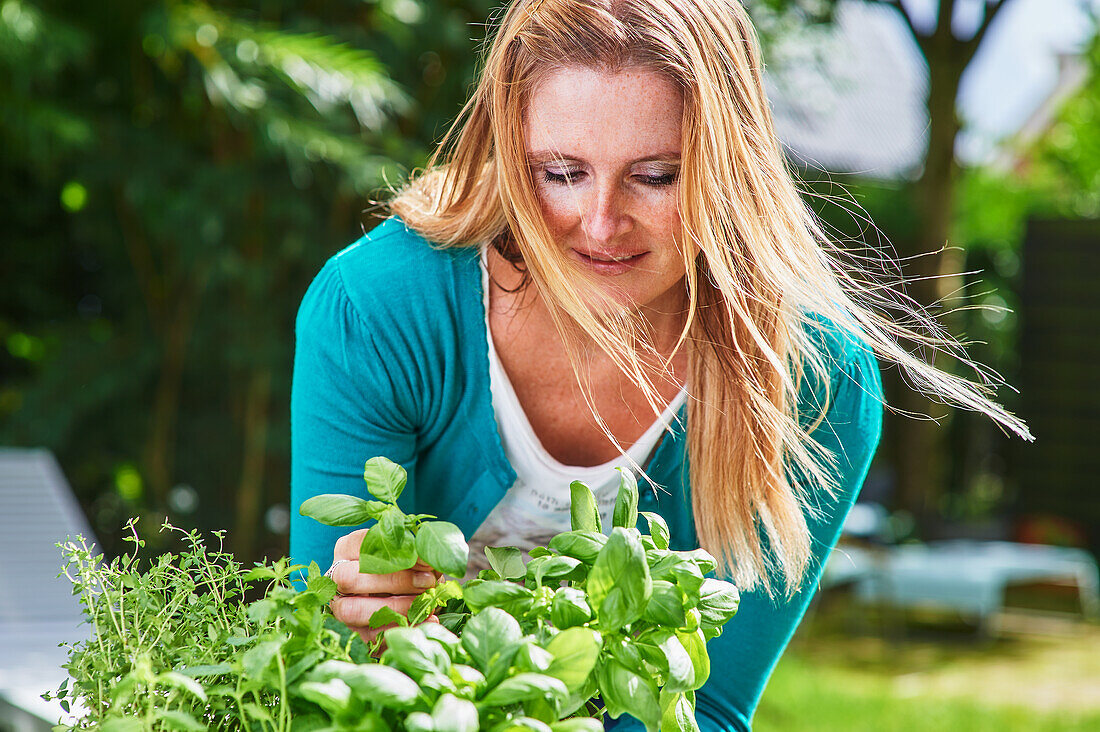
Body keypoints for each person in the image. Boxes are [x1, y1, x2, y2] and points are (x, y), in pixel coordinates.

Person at [290, 1, 1030, 729]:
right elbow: (324, 669)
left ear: (727, 170)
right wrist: (361, 620)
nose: (603, 223)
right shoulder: (378, 311)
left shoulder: (812, 382)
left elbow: (704, 706)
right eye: (561, 172)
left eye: (656, 175)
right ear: (512, 156)